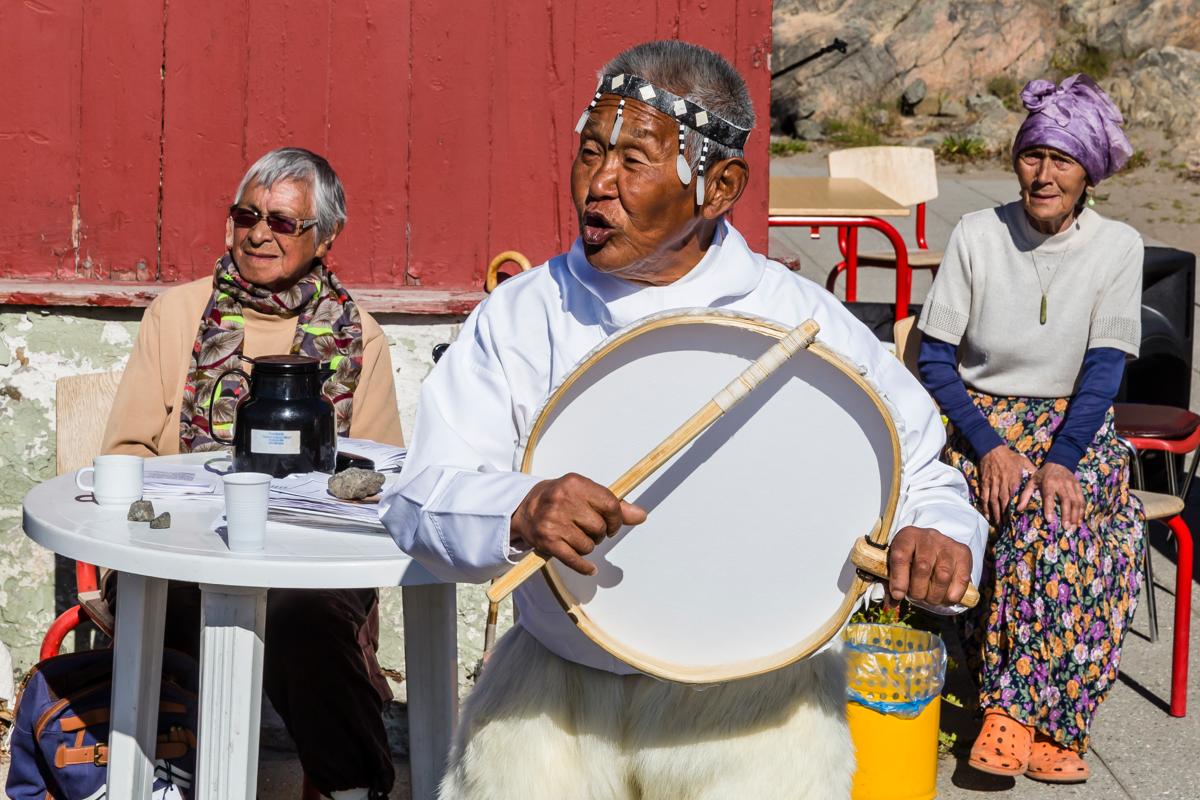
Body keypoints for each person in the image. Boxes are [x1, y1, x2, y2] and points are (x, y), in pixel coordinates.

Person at [381, 41, 987, 799]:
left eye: (633, 161)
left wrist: (940, 537)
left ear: (718, 187)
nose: (597, 184)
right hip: (554, 707)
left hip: (758, 718)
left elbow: (923, 473)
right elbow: (418, 496)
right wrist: (520, 508)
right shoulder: (522, 316)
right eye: (591, 151)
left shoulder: (799, 319)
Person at [102, 147, 403, 800]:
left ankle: (347, 785)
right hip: (184, 551)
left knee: (303, 613)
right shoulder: (178, 316)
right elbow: (126, 450)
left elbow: (380, 477)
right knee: (176, 600)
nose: (259, 234)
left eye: (282, 222)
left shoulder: (358, 338)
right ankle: (167, 779)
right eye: (247, 215)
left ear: (323, 237)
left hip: (312, 564)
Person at [916, 75, 1145, 784]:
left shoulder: (1118, 246)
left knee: (1095, 530)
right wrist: (989, 446)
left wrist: (1061, 459)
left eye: (1063, 160)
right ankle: (1042, 726)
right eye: (1032, 155)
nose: (1044, 174)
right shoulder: (979, 236)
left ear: (1089, 173)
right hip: (985, 418)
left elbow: (1103, 371)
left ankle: (1029, 719)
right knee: (1055, 524)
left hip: (1076, 424)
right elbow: (934, 358)